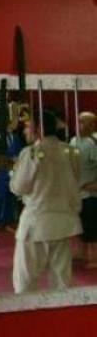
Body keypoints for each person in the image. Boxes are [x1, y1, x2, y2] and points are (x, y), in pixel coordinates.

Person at [10, 109, 82, 293]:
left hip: (36, 223)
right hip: (63, 223)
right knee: (62, 283)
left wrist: (13, 173)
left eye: (28, 126)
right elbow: (76, 180)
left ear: (38, 129)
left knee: (25, 283)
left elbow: (18, 187)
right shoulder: (71, 151)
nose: (25, 130)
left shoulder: (32, 152)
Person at [69, 111, 97, 267]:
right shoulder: (73, 140)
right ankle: (81, 252)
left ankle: (94, 257)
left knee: (91, 225)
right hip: (77, 191)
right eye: (78, 121)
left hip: (90, 192)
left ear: (92, 125)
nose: (78, 125)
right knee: (79, 225)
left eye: (82, 122)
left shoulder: (94, 142)